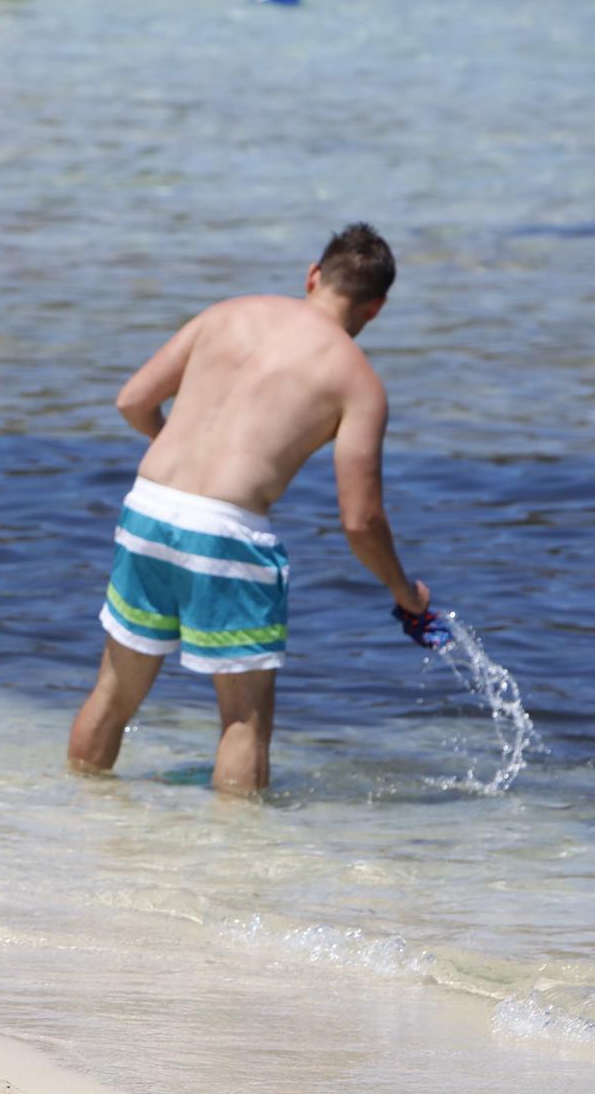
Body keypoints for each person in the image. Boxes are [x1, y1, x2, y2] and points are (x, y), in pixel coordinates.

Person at [66, 225, 443, 793]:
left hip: (148, 509)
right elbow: (360, 520)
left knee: (114, 693)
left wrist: (178, 454)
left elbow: (132, 401)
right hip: (226, 533)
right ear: (377, 307)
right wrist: (403, 594)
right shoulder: (357, 380)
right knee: (244, 721)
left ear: (313, 275)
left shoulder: (226, 313)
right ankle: (238, 874)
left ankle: (69, 821)